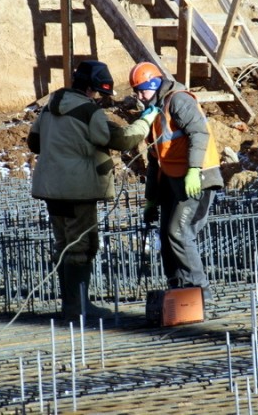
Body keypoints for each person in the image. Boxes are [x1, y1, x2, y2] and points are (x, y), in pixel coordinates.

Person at [28, 60, 159, 321]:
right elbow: (121, 140)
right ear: (90, 89)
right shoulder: (90, 112)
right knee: (82, 247)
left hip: (50, 188)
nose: (100, 99)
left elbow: (34, 143)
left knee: (64, 244)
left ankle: (70, 305)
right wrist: (145, 121)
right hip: (78, 190)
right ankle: (78, 308)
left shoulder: (49, 108)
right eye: (99, 93)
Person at [128, 62, 223, 301]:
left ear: (155, 84)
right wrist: (151, 200)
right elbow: (154, 161)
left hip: (195, 177)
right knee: (166, 233)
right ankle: (179, 289)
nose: (140, 96)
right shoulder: (154, 114)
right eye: (136, 91)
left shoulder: (178, 100)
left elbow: (199, 133)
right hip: (173, 180)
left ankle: (201, 292)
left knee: (178, 231)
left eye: (142, 90)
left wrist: (194, 169)